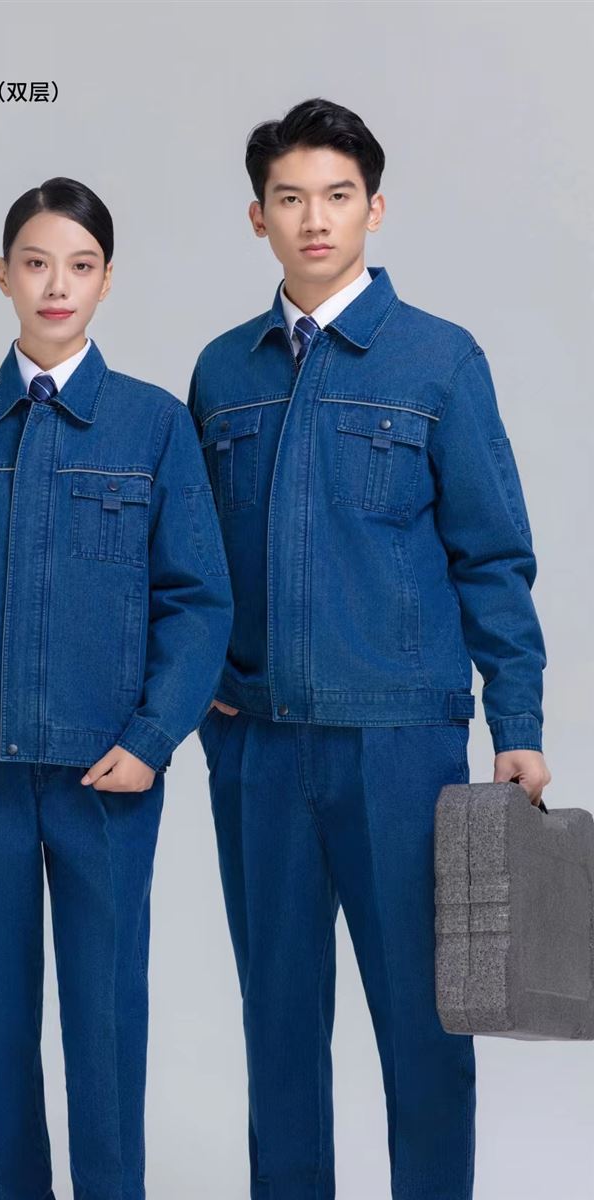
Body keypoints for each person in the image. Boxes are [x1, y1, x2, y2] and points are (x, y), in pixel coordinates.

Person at [187, 99, 551, 1200]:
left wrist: (517, 724)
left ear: (374, 210)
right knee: (277, 1026)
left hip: (401, 748)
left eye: (337, 196)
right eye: (290, 197)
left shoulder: (439, 361)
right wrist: (198, 692)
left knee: (424, 1026)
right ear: (257, 216)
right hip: (258, 749)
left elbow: (493, 555)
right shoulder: (222, 374)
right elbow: (186, 565)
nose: (315, 219)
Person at [0, 176, 233, 1200]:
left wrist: (152, 738)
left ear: (106, 280)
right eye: (35, 262)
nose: (56, 284)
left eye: (79, 265)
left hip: (104, 778)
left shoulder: (153, 427)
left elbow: (198, 604)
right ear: (2, 275)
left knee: (106, 1027)